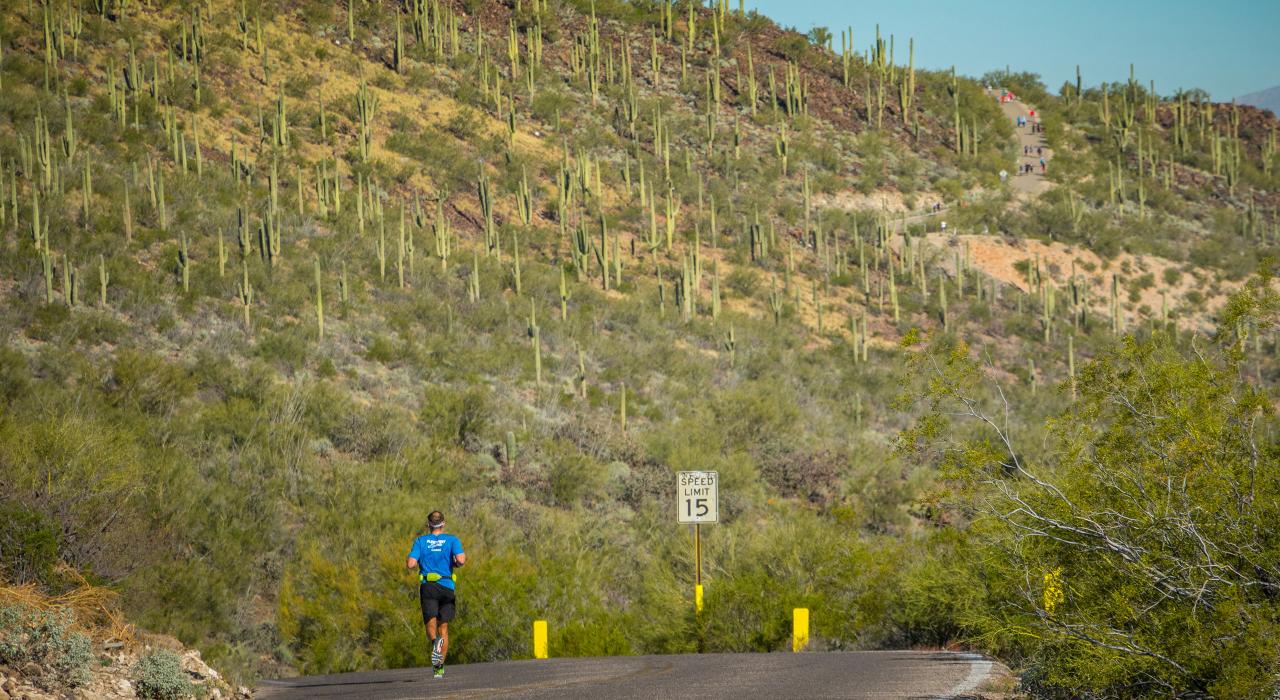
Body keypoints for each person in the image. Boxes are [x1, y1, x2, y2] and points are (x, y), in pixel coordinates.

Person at [407, 511, 466, 679]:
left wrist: (418, 559)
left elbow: (411, 564)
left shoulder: (420, 541)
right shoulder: (452, 540)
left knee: (430, 624)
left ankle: (434, 642)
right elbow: (461, 560)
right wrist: (454, 562)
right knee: (444, 627)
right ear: (443, 524)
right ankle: (439, 668)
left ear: (428, 525)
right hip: (447, 586)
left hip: (429, 587)